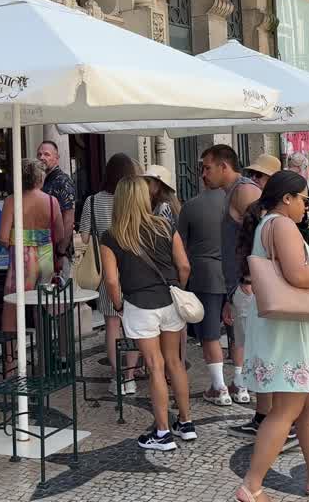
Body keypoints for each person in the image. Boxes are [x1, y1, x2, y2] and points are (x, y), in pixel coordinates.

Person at [233, 171, 309, 501]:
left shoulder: (269, 224)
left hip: (294, 327)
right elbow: (297, 275)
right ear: (287, 198)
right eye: (303, 199)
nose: (307, 207)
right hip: (292, 329)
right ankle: (252, 485)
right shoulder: (282, 224)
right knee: (287, 409)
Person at [100, 176, 195, 450]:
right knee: (174, 362)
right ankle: (186, 423)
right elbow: (184, 266)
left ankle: (163, 433)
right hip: (169, 301)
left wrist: (118, 306)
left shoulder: (112, 235)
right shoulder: (166, 226)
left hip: (139, 304)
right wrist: (178, 289)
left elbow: (111, 280)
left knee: (154, 366)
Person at [204, 145, 271, 427]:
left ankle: (274, 420)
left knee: (259, 353)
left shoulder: (245, 190)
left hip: (249, 287)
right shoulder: (232, 192)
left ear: (224, 166)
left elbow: (264, 229)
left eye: (207, 167)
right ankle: (262, 416)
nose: (203, 174)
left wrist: (249, 277)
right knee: (253, 353)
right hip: (239, 287)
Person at [79, 153, 140, 393]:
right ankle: (131, 376)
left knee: (112, 323)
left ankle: (118, 378)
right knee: (133, 322)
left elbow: (83, 237)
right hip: (134, 268)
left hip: (106, 269)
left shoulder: (92, 201)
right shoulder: (133, 200)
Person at [0, 158, 67, 366]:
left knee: (12, 310)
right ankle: (45, 360)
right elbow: (61, 234)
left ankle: (10, 364)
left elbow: (2, 236)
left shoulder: (12, 201)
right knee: (43, 308)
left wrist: (16, 243)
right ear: (40, 178)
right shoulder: (51, 201)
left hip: (22, 260)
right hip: (45, 256)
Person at [177, 179, 232, 406]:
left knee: (210, 334)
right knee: (237, 332)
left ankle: (219, 387)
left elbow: (180, 245)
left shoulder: (191, 206)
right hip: (237, 274)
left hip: (205, 276)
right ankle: (240, 386)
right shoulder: (236, 203)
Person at [38, 140, 77, 274]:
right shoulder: (42, 181)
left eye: (47, 154)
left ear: (56, 158)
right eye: (39, 154)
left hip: (58, 253)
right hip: (44, 251)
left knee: (60, 293)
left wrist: (61, 252)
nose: (42, 157)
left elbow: (68, 219)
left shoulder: (63, 181)